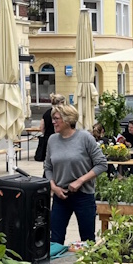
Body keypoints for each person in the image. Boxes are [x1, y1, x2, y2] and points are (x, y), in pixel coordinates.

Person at [43, 102, 106, 244]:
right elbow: (48, 167)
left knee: (87, 240)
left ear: (67, 119)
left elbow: (102, 164)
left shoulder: (84, 138)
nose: (53, 122)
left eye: (56, 118)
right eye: (53, 118)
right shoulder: (52, 140)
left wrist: (80, 181)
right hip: (60, 196)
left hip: (83, 196)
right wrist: (53, 187)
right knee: (55, 239)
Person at [33, 93, 64, 164]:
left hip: (48, 139)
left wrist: (45, 133)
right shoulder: (62, 113)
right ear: (61, 102)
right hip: (60, 139)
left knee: (49, 161)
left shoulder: (46, 113)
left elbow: (41, 127)